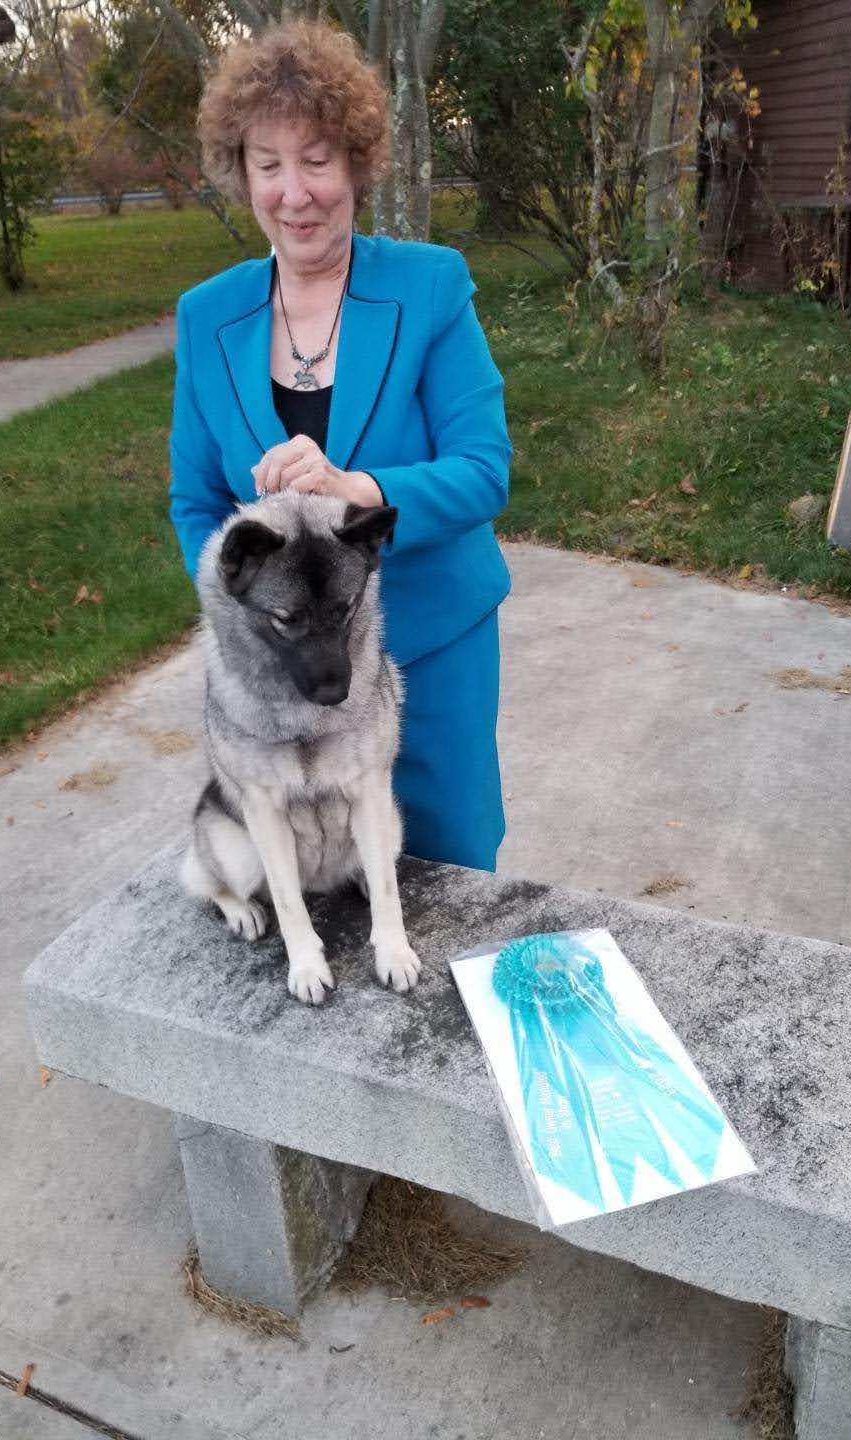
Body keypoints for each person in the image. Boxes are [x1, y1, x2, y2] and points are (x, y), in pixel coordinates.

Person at [169, 19, 512, 872]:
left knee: (447, 863)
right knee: (315, 877)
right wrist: (245, 621)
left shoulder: (430, 285)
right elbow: (196, 501)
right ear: (242, 173)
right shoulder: (206, 316)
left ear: (356, 162)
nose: (295, 193)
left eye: (317, 160)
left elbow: (483, 471)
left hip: (430, 644)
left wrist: (357, 488)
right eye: (268, 164)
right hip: (279, 677)